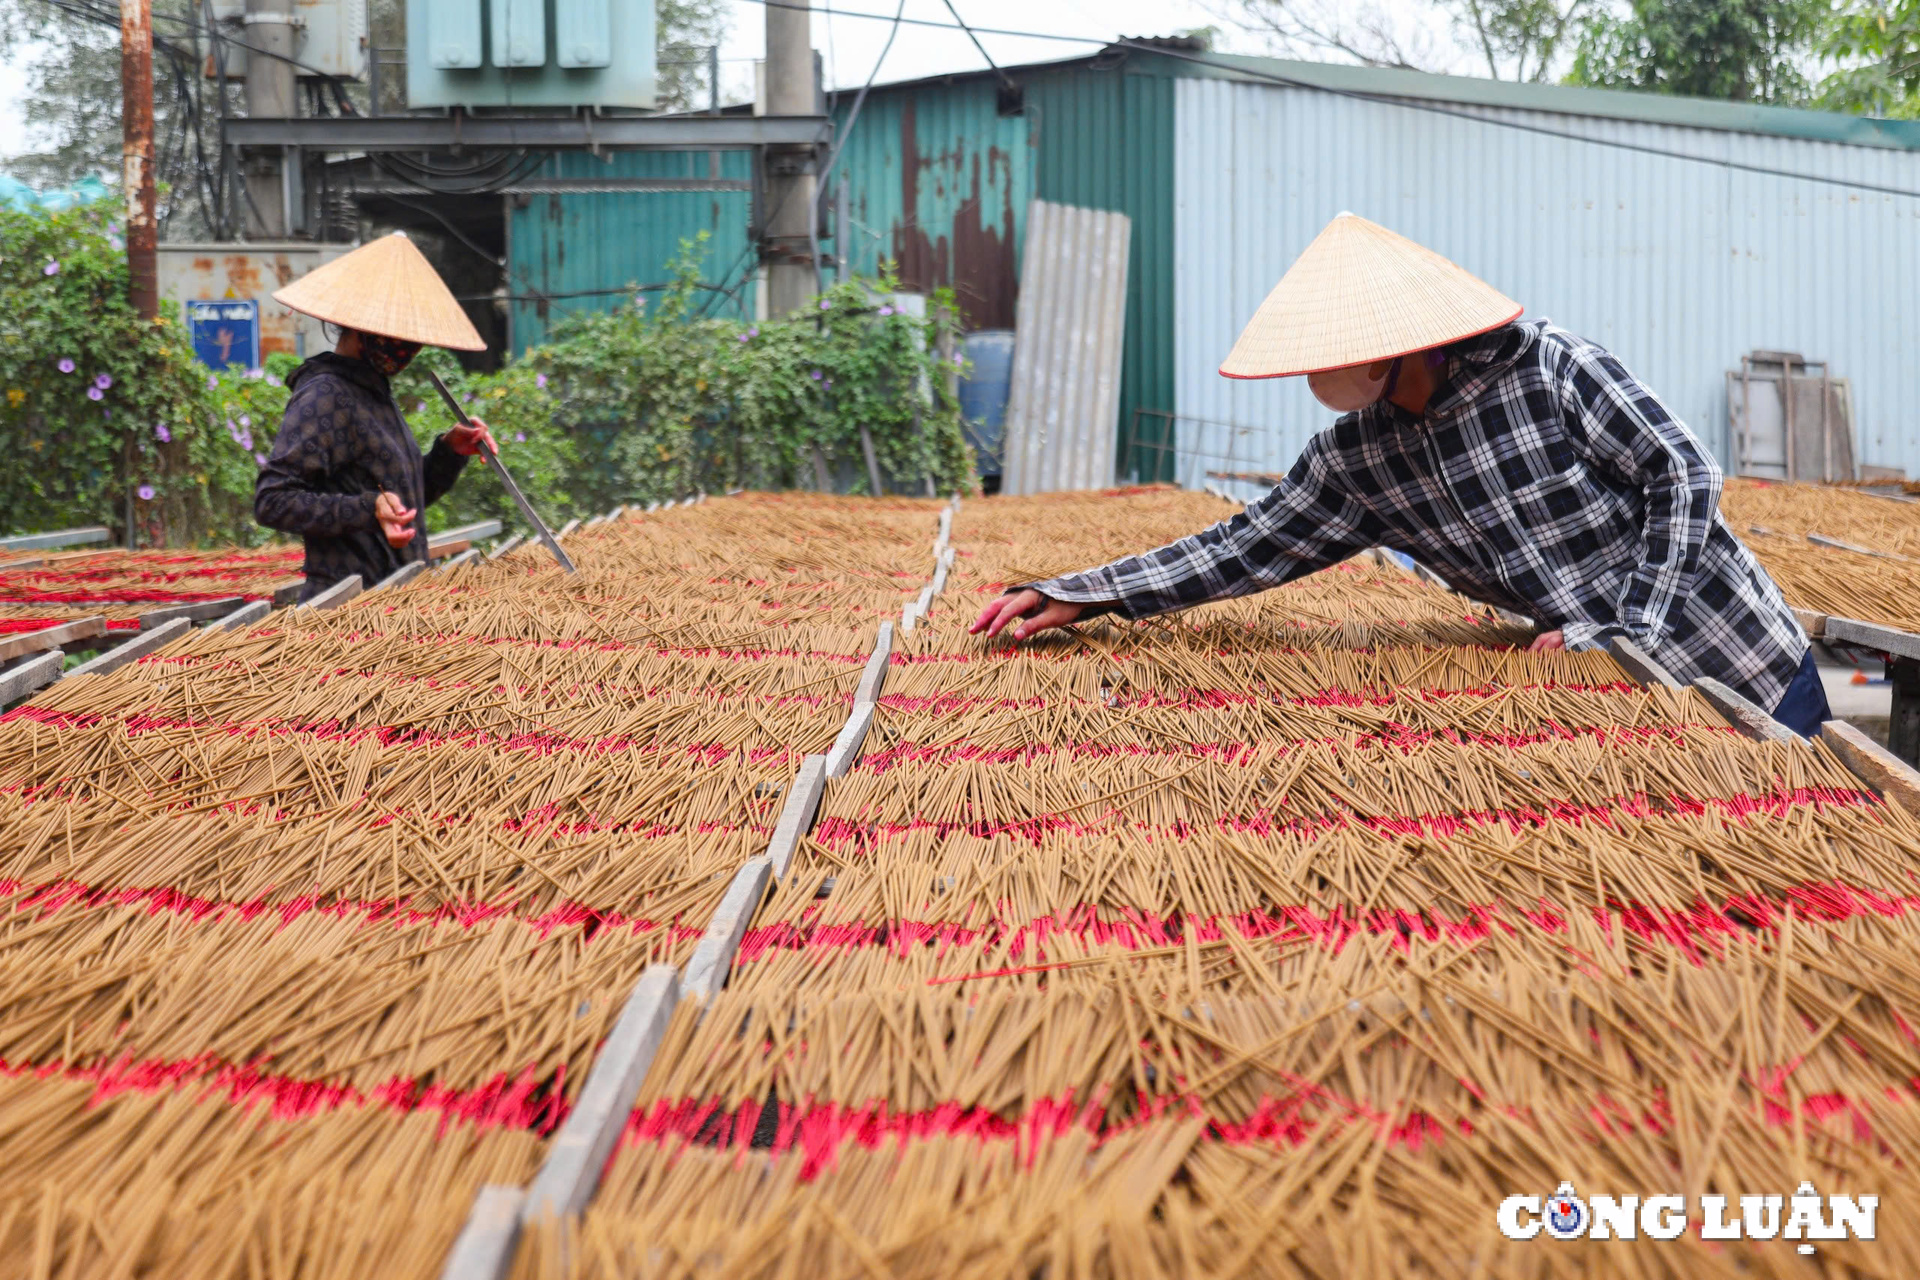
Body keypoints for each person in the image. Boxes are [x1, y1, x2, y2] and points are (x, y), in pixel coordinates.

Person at [973, 213, 1832, 737]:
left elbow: (1682, 475)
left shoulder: (1551, 371)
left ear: (1404, 339)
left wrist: (1626, 630)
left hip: (1741, 661)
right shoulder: (1361, 462)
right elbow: (1244, 546)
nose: (1326, 376)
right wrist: (1090, 592)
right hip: (1627, 705)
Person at [254, 232, 498, 600]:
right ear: (358, 325)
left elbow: (404, 503)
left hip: (392, 604)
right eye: (394, 331)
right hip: (345, 612)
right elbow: (272, 501)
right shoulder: (325, 393)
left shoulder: (374, 391)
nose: (407, 347)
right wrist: (366, 508)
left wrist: (449, 452)